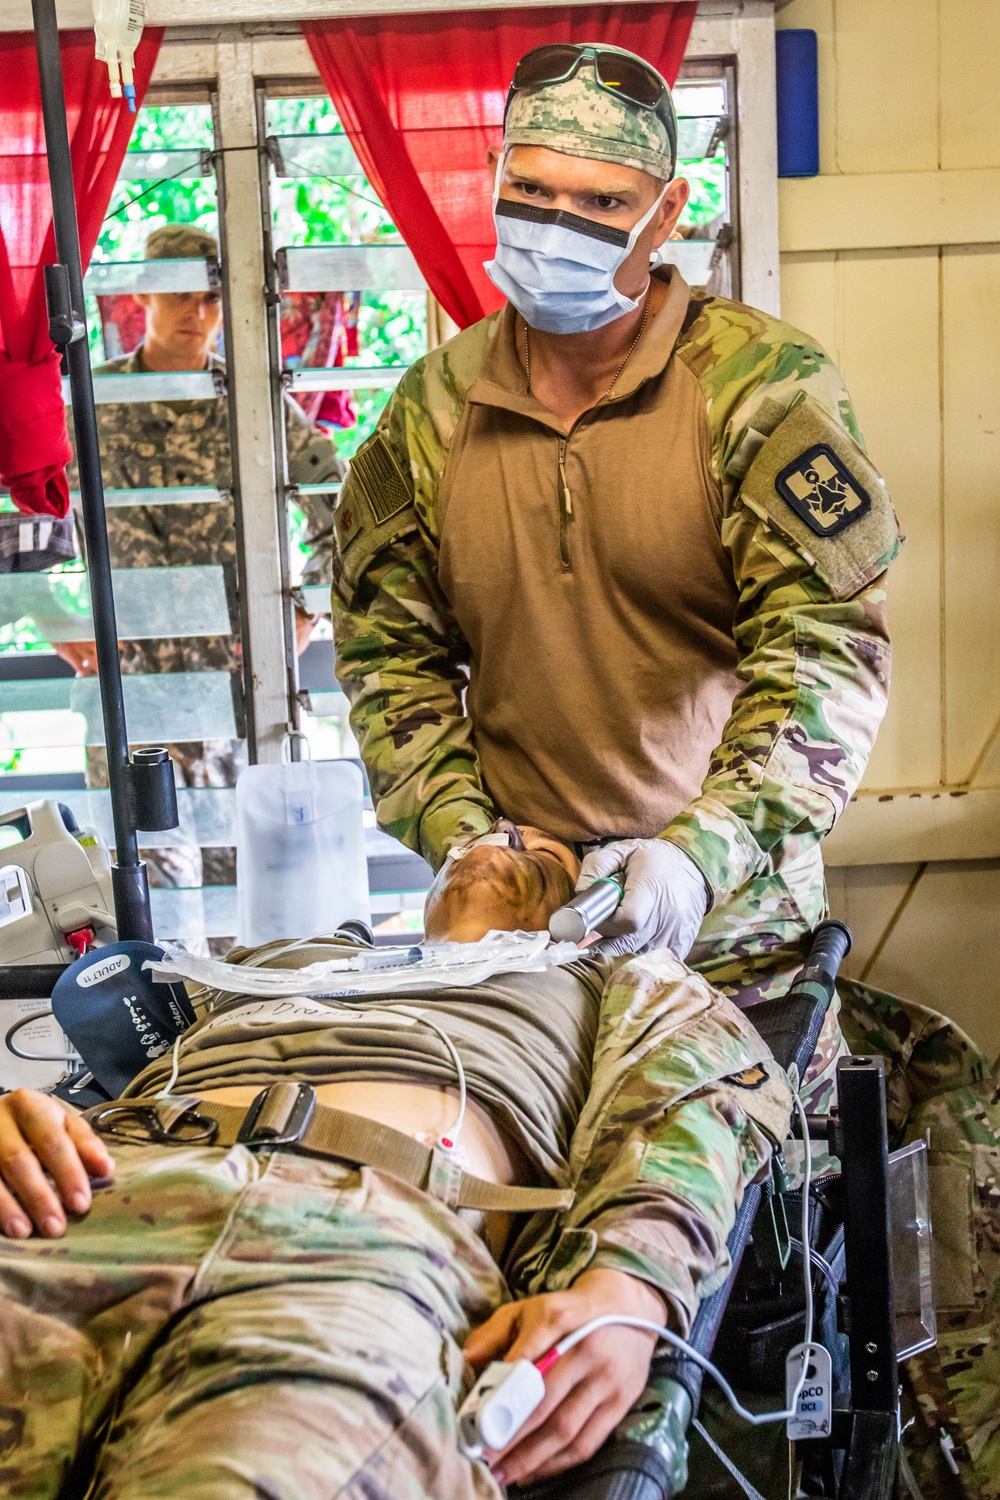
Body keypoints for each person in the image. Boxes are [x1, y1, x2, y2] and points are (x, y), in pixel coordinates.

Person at [330, 45, 901, 1096]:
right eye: (530, 191)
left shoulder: (758, 387)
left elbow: (823, 660)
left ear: (667, 207)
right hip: (515, 940)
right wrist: (468, 845)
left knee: (735, 1231)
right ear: (494, 180)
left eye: (601, 199)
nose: (556, 225)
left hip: (731, 933)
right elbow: (385, 656)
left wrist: (698, 853)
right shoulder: (435, 409)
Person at [0, 829, 792, 1498]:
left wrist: (628, 1288)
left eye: (532, 845)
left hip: (356, 1253)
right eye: (483, 831)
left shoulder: (615, 977)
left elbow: (699, 1104)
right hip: (83, 1194)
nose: (496, 838)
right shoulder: (268, 965)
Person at [57, 225, 344, 902]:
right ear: (141, 299)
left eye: (212, 299)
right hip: (133, 698)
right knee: (151, 914)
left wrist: (305, 611)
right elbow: (27, 517)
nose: (199, 314)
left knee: (254, 910)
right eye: (180, 296)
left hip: (243, 698)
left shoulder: (255, 402)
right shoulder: (90, 407)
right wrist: (48, 615)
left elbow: (340, 508)